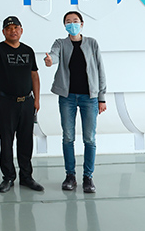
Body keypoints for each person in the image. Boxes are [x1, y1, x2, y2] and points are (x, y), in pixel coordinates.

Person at [44, 11, 107, 193]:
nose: (72, 24)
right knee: (68, 137)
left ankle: (88, 177)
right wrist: (49, 60)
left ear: (82, 23)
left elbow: (100, 70)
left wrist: (101, 97)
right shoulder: (60, 43)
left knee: (90, 138)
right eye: (68, 21)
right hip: (67, 97)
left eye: (75, 21)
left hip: (90, 98)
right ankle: (70, 176)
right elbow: (54, 56)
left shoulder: (92, 43)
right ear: (64, 25)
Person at [0, 16, 44, 193]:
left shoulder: (28, 50)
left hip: (26, 102)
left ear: (21, 30)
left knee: (26, 141)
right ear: (4, 32)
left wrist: (36, 99)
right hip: (6, 102)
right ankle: (8, 177)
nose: (13, 31)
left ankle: (26, 177)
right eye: (9, 28)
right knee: (6, 140)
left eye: (16, 27)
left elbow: (34, 75)